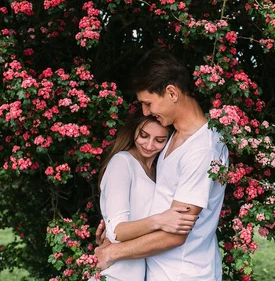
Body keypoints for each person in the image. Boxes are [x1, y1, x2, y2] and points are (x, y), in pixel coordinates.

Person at [95, 49, 229, 281]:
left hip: (185, 274)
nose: (145, 111)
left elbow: (176, 235)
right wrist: (116, 229)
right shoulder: (173, 137)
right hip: (158, 271)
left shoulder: (202, 150)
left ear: (171, 93)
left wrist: (113, 252)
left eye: (148, 103)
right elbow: (157, 201)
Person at [96, 112, 199, 281]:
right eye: (143, 136)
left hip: (145, 272)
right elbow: (116, 231)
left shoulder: (159, 171)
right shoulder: (122, 162)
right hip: (117, 273)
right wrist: (159, 220)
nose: (149, 145)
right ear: (134, 130)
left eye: (159, 140)